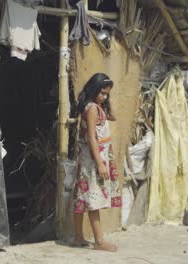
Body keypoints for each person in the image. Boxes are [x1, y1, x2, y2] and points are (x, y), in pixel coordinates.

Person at [71, 73, 122, 252]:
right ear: (94, 90)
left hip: (93, 155)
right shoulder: (92, 108)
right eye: (102, 93)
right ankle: (99, 241)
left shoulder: (97, 107)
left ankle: (78, 237)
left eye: (107, 94)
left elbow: (114, 116)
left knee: (83, 194)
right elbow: (92, 137)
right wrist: (100, 162)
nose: (104, 97)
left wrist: (108, 98)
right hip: (94, 157)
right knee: (94, 196)